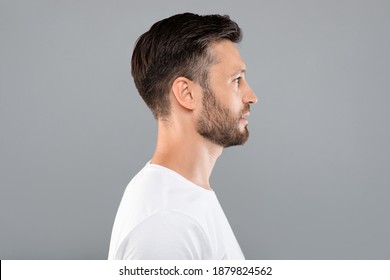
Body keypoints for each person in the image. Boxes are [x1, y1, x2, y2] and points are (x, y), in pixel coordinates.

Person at [108, 12, 258, 260]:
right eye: (237, 80)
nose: (252, 96)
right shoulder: (167, 224)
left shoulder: (182, 200)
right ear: (187, 94)